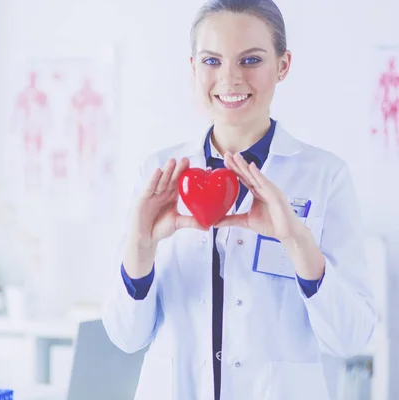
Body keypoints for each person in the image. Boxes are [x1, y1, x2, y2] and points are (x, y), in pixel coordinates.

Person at [101, 0, 377, 399]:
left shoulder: (324, 176)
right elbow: (126, 336)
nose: (230, 78)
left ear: (283, 66)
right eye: (212, 61)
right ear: (193, 68)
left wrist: (299, 244)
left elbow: (350, 338)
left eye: (250, 60)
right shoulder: (158, 174)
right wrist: (140, 248)